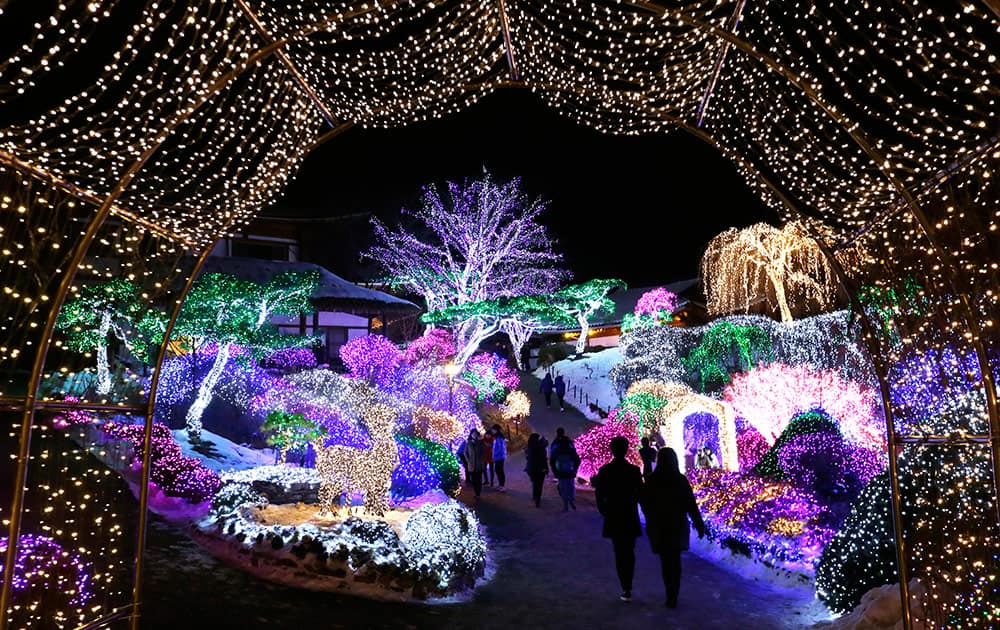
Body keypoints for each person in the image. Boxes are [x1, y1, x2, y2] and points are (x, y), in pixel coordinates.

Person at [640, 447, 707, 609]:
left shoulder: (651, 480)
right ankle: (673, 595)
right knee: (675, 561)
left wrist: (650, 518)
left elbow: (645, 503)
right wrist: (698, 524)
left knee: (665, 561)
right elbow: (690, 504)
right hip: (677, 524)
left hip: (659, 525)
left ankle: (669, 592)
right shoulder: (680, 480)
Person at [592, 435, 644, 602]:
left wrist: (604, 511)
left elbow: (599, 495)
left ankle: (625, 586)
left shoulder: (605, 471)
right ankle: (628, 583)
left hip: (614, 515)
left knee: (619, 552)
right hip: (629, 515)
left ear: (612, 450)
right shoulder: (634, 471)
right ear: (627, 449)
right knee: (629, 551)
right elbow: (641, 495)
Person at [549, 427, 581, 511]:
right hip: (570, 470)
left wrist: (554, 471)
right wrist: (575, 469)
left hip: (560, 471)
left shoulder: (555, 445)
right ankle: (571, 501)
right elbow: (577, 459)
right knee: (571, 486)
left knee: (563, 487)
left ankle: (565, 504)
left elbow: (552, 459)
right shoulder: (570, 445)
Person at [524, 432, 549, 507]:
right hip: (541, 468)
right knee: (539, 484)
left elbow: (527, 457)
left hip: (531, 469)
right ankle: (538, 498)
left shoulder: (529, 447)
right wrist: (546, 469)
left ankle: (535, 496)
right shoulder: (541, 447)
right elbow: (544, 459)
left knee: (535, 482)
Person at [462, 429, 485, 498]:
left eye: (475, 434)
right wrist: (468, 460)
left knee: (479, 479)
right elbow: (465, 452)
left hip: (479, 464)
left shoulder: (480, 442)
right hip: (471, 465)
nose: (474, 435)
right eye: (473, 434)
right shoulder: (468, 443)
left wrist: (481, 459)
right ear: (471, 435)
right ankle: (476, 492)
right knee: (474, 480)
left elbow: (483, 452)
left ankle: (478, 493)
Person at [491, 424, 507, 491]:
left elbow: (500, 448)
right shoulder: (497, 437)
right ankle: (500, 485)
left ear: (496, 430)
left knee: (499, 471)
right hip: (498, 457)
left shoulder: (499, 438)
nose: (492, 431)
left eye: (493, 429)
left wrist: (495, 455)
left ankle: (502, 486)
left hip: (499, 457)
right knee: (498, 471)